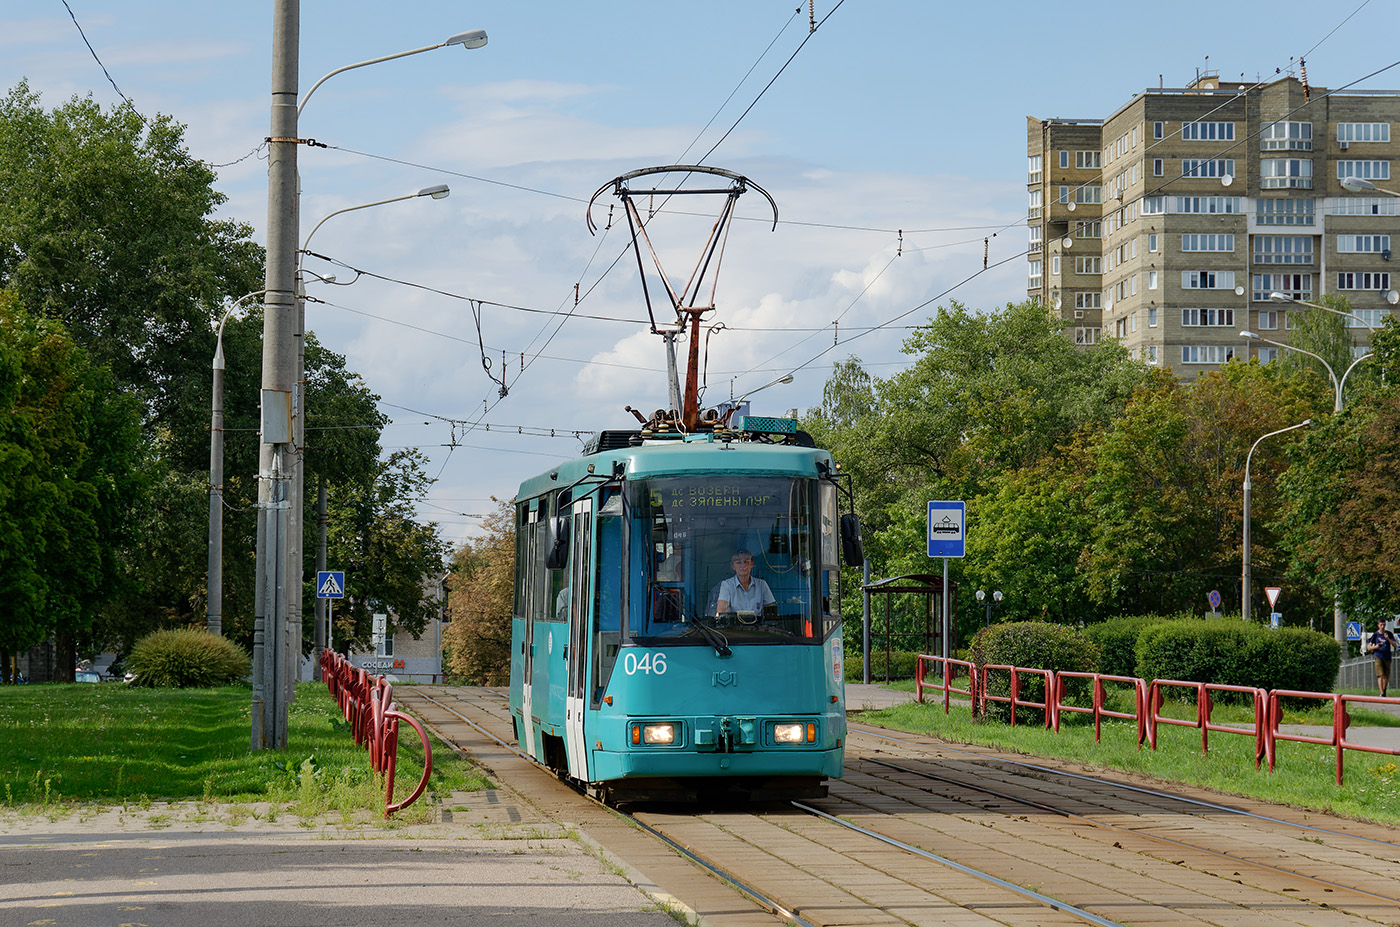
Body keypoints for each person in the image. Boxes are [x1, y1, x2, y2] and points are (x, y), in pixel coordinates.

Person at [715, 549, 775, 616]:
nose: (743, 565)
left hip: (758, 626)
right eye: (738, 562)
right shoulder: (727, 585)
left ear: (751, 564)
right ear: (733, 566)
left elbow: (771, 613)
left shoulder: (762, 585)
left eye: (746, 562)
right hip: (734, 626)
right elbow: (721, 611)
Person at [1364, 619, 1397, 697]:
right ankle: (1382, 693)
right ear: (1378, 625)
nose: (1383, 626)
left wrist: (1388, 638)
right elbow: (1369, 648)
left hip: (1387, 656)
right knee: (1380, 675)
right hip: (1378, 656)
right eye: (1381, 625)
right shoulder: (1375, 634)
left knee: (1386, 676)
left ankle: (1384, 689)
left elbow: (1395, 645)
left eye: (1384, 625)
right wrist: (1376, 646)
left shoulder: (1389, 634)